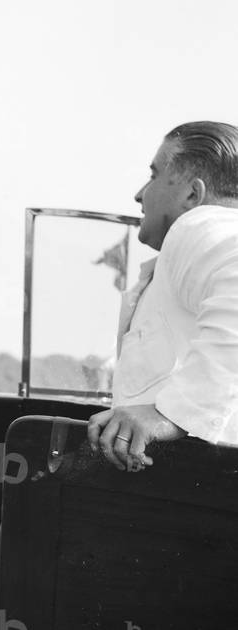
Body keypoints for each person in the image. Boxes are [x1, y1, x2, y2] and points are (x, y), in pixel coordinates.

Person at [88, 121, 238, 470]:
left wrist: (169, 415)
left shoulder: (200, 224)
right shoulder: (186, 256)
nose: (140, 194)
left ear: (192, 195)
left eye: (153, 175)